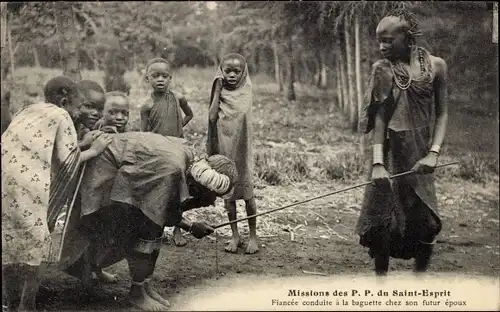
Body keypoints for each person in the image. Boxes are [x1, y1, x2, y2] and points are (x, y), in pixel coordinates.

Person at [60, 132, 236, 311]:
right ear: (198, 187)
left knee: (142, 226)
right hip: (103, 170)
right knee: (141, 230)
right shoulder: (172, 171)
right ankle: (137, 291)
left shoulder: (189, 162)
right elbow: (153, 221)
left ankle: (143, 286)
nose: (213, 202)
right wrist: (187, 225)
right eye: (213, 196)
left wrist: (190, 226)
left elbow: (167, 208)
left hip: (123, 166)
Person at [1, 76, 112, 311]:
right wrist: (94, 149)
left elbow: (42, 146)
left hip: (6, 181)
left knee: (8, 243)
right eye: (80, 105)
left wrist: (80, 143)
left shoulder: (29, 110)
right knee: (38, 245)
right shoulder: (62, 115)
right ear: (64, 100)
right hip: (28, 187)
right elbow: (67, 161)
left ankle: (11, 304)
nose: (81, 111)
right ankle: (27, 304)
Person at [356, 8, 449, 275]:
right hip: (388, 153)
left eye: (388, 40)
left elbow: (442, 114)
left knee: (426, 221)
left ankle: (418, 282)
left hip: (420, 152)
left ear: (408, 39)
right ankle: (381, 285)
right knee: (383, 223)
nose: (382, 46)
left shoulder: (437, 66)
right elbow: (381, 120)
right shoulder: (382, 70)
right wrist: (377, 163)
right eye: (379, 40)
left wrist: (434, 153)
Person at [207, 53, 259, 254]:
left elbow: (243, 119)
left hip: (242, 151)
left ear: (243, 73)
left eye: (237, 71)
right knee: (228, 194)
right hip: (225, 146)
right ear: (221, 71)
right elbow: (212, 118)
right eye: (227, 70)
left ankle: (253, 236)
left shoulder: (246, 91)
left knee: (247, 195)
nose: (232, 75)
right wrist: (218, 89)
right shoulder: (220, 91)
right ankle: (235, 235)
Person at [139, 57, 194, 247]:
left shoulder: (178, 98)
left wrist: (179, 131)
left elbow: (189, 114)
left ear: (170, 78)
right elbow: (144, 133)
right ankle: (158, 227)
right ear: (148, 79)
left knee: (178, 189)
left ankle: (178, 229)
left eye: (164, 76)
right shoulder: (146, 106)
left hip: (177, 148)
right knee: (159, 190)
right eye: (155, 76)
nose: (160, 80)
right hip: (157, 152)